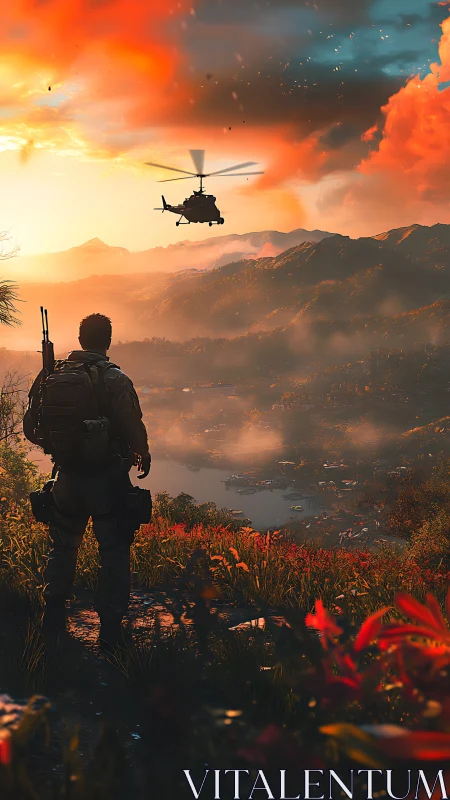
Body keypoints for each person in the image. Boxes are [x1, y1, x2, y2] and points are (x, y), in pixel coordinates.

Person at [23, 313, 151, 651]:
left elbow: (31, 424)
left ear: (81, 341)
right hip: (105, 480)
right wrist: (143, 453)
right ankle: (109, 632)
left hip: (64, 476)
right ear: (107, 340)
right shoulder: (113, 377)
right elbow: (131, 422)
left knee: (63, 546)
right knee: (112, 550)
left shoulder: (55, 375)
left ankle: (52, 619)